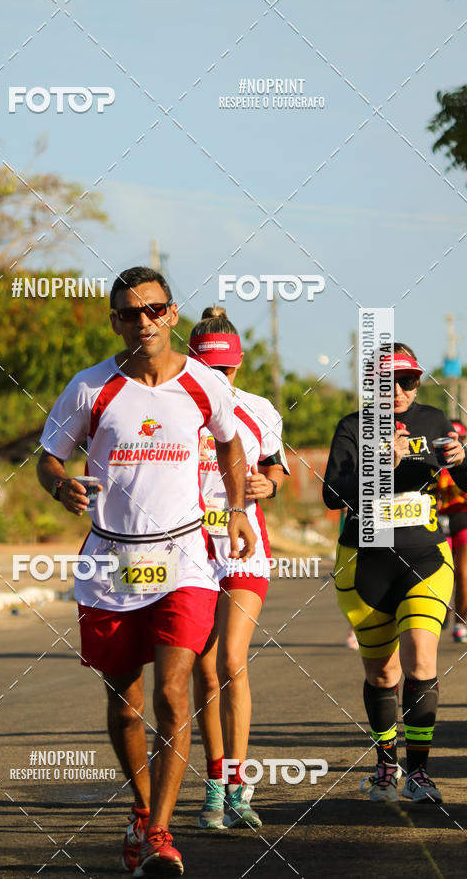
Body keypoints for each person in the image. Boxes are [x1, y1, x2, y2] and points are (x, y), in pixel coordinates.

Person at [37, 267, 256, 876]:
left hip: (184, 558)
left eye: (154, 310)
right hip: (112, 562)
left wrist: (238, 510)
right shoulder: (90, 387)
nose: (144, 322)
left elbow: (231, 445)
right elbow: (49, 457)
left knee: (172, 691)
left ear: (173, 314)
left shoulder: (203, 384)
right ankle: (140, 810)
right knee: (126, 703)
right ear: (115, 322)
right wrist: (61, 487)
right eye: (131, 313)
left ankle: (160, 833)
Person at [323, 343, 467, 803]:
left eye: (408, 381)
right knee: (382, 674)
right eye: (389, 382)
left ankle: (419, 774)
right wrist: (380, 464)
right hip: (366, 563)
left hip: (425, 556)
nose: (400, 390)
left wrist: (462, 462)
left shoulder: (435, 421)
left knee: (421, 660)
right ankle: (387, 765)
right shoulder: (352, 427)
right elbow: (332, 495)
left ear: (419, 381)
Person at [188, 307, 287, 830]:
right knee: (204, 670)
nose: (219, 378)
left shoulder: (259, 409)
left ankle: (237, 785)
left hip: (243, 543)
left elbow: (274, 468)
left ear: (239, 364)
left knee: (231, 659)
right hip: (188, 547)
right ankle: (213, 784)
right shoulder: (174, 408)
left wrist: (270, 484)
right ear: (191, 362)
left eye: (226, 369)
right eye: (210, 369)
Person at [437, 419, 467, 642]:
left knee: (463, 572)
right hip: (439, 520)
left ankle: (461, 621)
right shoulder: (435, 461)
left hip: (463, 518)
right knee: (441, 571)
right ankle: (442, 608)